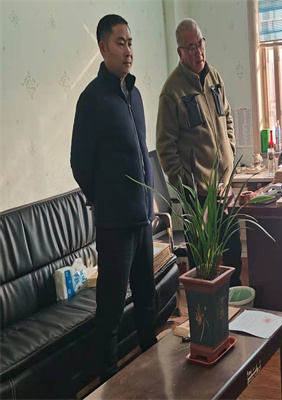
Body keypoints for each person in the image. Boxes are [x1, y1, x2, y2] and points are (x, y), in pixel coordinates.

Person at [70, 14, 156, 381]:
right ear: (103, 48)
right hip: (114, 225)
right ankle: (107, 381)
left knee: (147, 299)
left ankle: (154, 367)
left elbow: (140, 151)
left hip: (142, 218)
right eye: (120, 43)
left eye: (130, 43)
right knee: (110, 309)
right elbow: (79, 163)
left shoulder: (134, 95)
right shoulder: (91, 99)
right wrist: (102, 198)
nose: (128, 51)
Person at [156, 18, 242, 286]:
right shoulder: (172, 92)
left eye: (200, 44)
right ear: (180, 52)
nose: (198, 52)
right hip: (199, 195)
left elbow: (227, 116)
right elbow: (165, 148)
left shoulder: (214, 77)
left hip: (224, 187)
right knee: (202, 261)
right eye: (191, 47)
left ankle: (234, 303)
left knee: (233, 251)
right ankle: (204, 308)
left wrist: (230, 150)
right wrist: (186, 185)